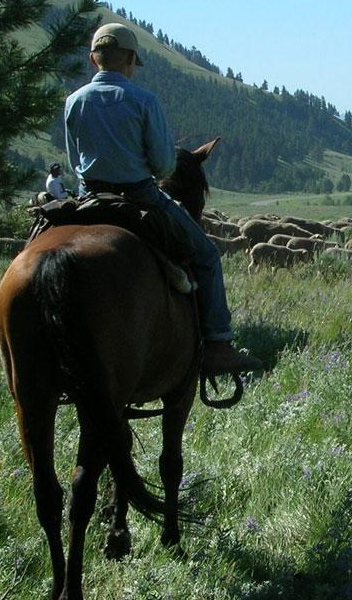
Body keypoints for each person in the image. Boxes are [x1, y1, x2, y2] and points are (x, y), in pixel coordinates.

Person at [64, 22, 261, 376]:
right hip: (139, 196)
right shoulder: (143, 101)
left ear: (95, 60)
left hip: (87, 198)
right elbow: (164, 164)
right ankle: (217, 343)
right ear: (129, 60)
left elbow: (73, 160)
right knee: (206, 255)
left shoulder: (74, 101)